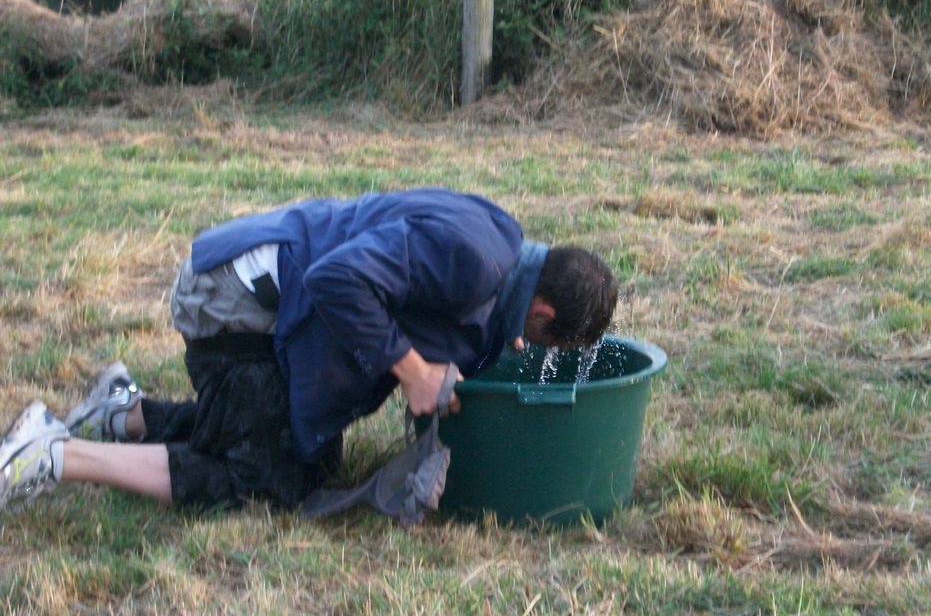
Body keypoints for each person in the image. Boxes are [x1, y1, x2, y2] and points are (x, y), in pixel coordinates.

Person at [0, 188, 618, 516]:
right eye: (539, 340)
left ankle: (122, 411)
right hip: (232, 300)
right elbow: (337, 280)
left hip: (273, 302)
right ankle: (53, 455)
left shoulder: (504, 248)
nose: (521, 345)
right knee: (266, 481)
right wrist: (414, 371)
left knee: (306, 458)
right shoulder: (477, 262)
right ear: (542, 312)